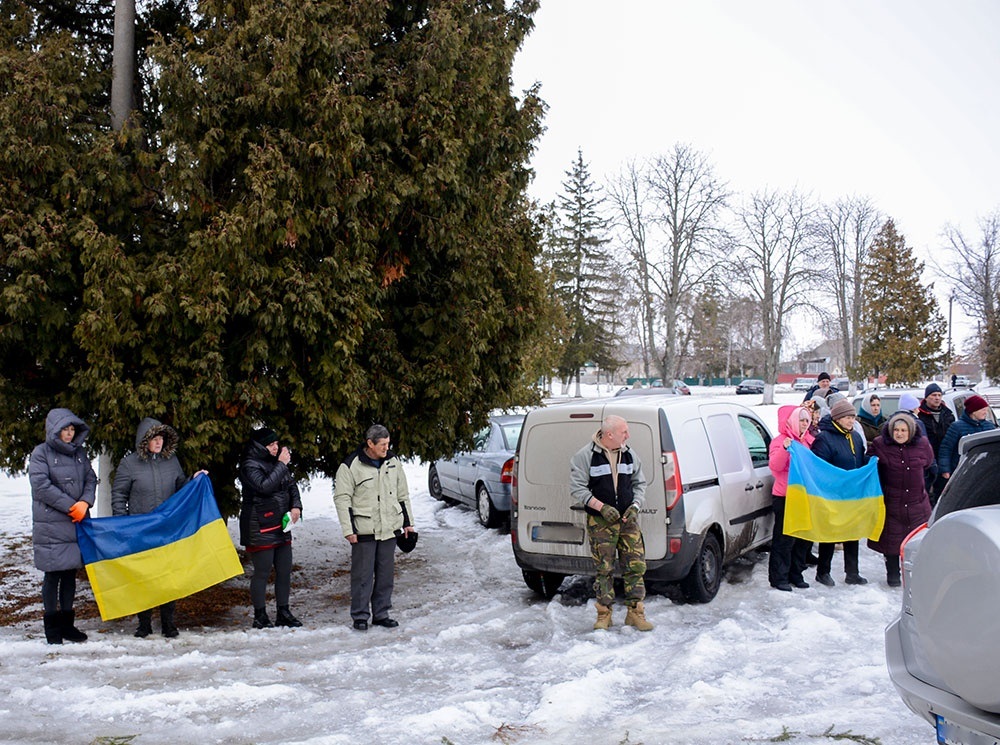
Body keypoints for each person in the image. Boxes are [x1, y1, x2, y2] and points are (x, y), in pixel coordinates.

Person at [112, 418, 208, 638]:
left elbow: (181, 487)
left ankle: (168, 622)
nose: (159, 442)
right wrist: (123, 523)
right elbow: (119, 495)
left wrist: (194, 479)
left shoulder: (171, 461)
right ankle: (144, 623)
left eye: (161, 438)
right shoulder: (129, 464)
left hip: (167, 528)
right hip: (141, 529)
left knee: (167, 576)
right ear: (145, 440)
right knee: (143, 576)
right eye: (155, 438)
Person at [569, 415, 652, 631]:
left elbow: (639, 483)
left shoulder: (629, 454)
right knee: (604, 568)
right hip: (601, 523)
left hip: (628, 521)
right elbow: (577, 488)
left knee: (635, 565)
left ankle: (635, 613)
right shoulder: (585, 456)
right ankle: (604, 614)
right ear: (609, 434)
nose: (628, 435)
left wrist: (635, 506)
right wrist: (601, 507)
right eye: (624, 431)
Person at [333, 424, 414, 631]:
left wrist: (408, 523)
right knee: (362, 575)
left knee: (385, 574)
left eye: (388, 443)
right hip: (364, 529)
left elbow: (402, 494)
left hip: (390, 528)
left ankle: (381, 613)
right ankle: (360, 616)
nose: (387, 448)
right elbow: (342, 499)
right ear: (370, 443)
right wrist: (348, 530)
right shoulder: (350, 465)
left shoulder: (393, 462)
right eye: (383, 444)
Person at [29, 408, 97, 644]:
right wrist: (72, 506)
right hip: (51, 524)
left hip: (76, 522)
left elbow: (90, 478)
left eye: (71, 430)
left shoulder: (80, 453)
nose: (69, 434)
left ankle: (68, 626)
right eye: (64, 430)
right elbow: (41, 487)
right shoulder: (40, 453)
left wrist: (86, 501)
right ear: (54, 431)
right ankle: (52, 628)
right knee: (53, 574)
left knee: (70, 573)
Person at [238, 427, 303, 629]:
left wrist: (296, 506)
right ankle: (260, 615)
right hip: (259, 525)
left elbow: (291, 486)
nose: (276, 448)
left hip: (281, 524)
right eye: (272, 444)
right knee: (262, 571)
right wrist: (282, 464)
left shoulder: (277, 464)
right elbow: (264, 486)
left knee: (284, 570)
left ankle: (283, 611)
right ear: (261, 446)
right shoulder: (249, 465)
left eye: (277, 444)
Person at [867, 413, 935, 587]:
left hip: (917, 503)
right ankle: (893, 576)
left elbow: (929, 465)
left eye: (903, 430)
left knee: (917, 543)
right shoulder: (880, 444)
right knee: (891, 542)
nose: (899, 433)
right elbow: (869, 466)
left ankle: (916, 575)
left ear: (910, 431)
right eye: (896, 430)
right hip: (892, 502)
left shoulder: (923, 444)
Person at [810, 397, 869, 586]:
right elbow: (819, 467)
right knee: (831, 533)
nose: (852, 421)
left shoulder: (856, 437)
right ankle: (823, 571)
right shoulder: (824, 438)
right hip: (832, 495)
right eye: (847, 417)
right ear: (837, 418)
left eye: (853, 417)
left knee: (852, 533)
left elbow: (859, 460)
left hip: (851, 494)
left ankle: (852, 572)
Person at [767, 406, 815, 592]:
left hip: (803, 497)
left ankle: (796, 574)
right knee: (784, 540)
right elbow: (775, 466)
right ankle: (779, 577)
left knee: (801, 539)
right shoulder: (780, 441)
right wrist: (785, 449)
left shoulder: (807, 442)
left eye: (806, 420)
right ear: (792, 421)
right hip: (785, 497)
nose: (804, 424)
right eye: (801, 420)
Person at [938, 394, 997, 482]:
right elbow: (946, 448)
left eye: (986, 409)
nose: (985, 412)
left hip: (986, 471)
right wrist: (945, 469)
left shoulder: (990, 426)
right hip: (962, 470)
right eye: (983, 410)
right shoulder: (957, 427)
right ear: (973, 411)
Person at [916, 383, 955, 504]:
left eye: (939, 395)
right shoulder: (920, 415)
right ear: (926, 397)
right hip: (926, 459)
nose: (937, 398)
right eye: (934, 395)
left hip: (945, 459)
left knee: (943, 492)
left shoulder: (948, 414)